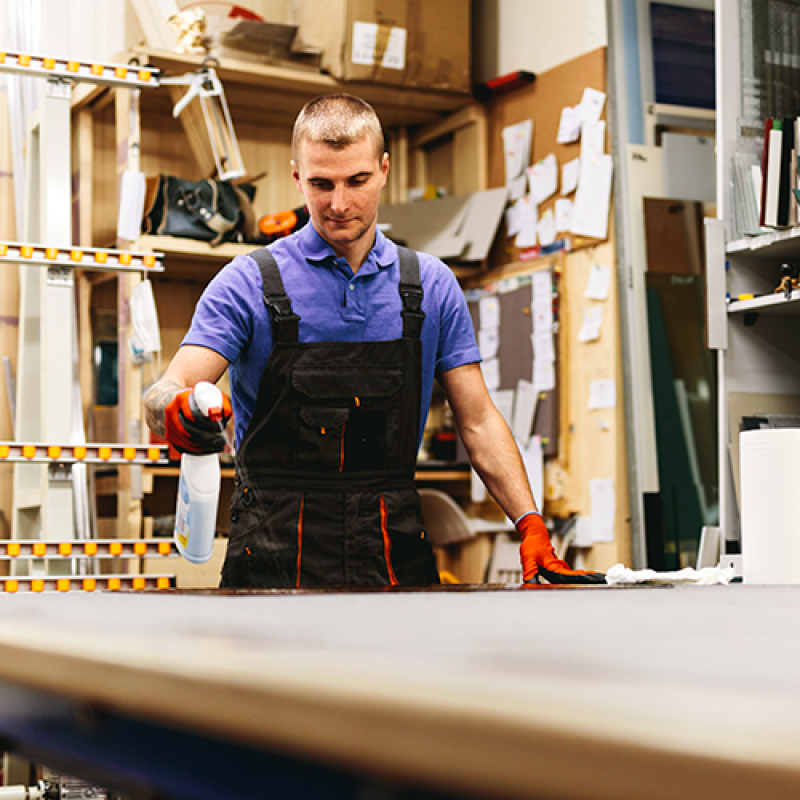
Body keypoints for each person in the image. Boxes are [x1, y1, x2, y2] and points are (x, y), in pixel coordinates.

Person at [144, 93, 605, 589]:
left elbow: (478, 421)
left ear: (383, 169)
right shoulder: (247, 282)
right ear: (297, 176)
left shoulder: (431, 285)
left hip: (392, 549)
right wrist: (175, 410)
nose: (339, 204)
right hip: (274, 551)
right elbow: (165, 391)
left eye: (356, 181)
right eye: (321, 184)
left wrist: (530, 523)